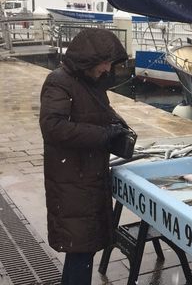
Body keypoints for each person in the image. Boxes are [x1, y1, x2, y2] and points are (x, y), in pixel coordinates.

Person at [39, 28, 131, 285]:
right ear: (91, 59)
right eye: (106, 62)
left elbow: (102, 112)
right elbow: (53, 127)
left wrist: (119, 128)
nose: (108, 68)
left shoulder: (89, 83)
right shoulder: (59, 81)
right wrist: (102, 135)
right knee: (80, 249)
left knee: (85, 248)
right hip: (72, 181)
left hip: (88, 177)